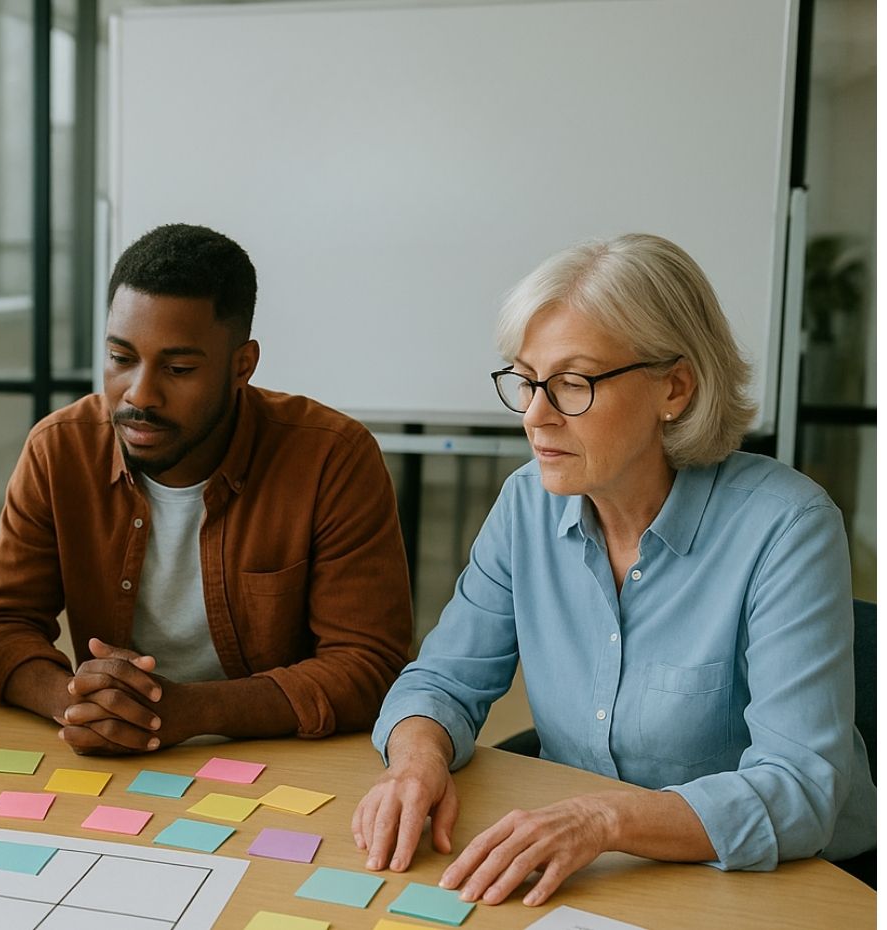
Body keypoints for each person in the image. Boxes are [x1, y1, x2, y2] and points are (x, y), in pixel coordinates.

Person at [353, 233, 875, 906]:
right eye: (526, 380)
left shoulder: (786, 526)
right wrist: (416, 762)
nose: (536, 417)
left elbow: (801, 787)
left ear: (675, 388)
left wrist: (601, 820)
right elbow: (443, 679)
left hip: (782, 883)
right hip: (593, 874)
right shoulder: (526, 504)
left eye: (572, 383)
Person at [0, 223, 413, 754]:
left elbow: (369, 665)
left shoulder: (332, 457)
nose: (140, 393)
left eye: (178, 368)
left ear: (241, 366)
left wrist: (192, 710)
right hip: (111, 752)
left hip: (274, 755)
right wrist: (79, 701)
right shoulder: (59, 449)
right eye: (120, 358)